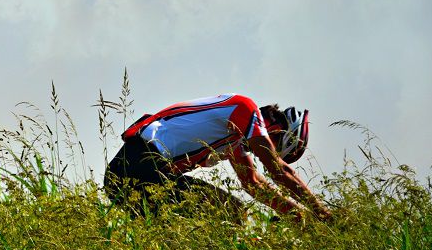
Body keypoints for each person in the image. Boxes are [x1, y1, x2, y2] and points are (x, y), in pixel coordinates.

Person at [104, 93, 332, 223]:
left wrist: (293, 214)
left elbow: (253, 184)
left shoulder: (234, 137)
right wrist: (322, 213)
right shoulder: (244, 108)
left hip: (128, 175)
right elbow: (278, 171)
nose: (261, 151)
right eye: (275, 146)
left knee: (184, 235)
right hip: (142, 165)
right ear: (275, 129)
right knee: (231, 211)